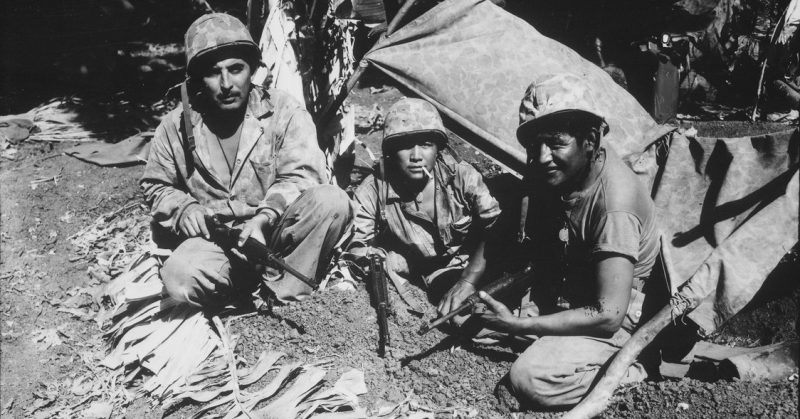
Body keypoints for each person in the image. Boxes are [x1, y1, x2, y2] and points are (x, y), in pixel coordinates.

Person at [141, 13, 353, 308]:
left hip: (275, 237)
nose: (226, 83)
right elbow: (155, 185)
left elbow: (303, 175)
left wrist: (263, 219)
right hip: (216, 242)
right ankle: (238, 292)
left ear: (252, 70)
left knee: (332, 201)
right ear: (198, 78)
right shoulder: (175, 126)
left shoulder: (283, 111)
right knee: (179, 278)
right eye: (214, 72)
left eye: (236, 68)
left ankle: (284, 295)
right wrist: (183, 209)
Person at [478, 73, 660, 408]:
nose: (542, 157)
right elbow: (507, 223)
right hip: (569, 290)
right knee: (473, 319)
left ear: (590, 140)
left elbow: (608, 315)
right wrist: (466, 281)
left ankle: (638, 366)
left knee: (529, 380)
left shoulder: (615, 206)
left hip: (616, 316)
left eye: (556, 144)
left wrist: (519, 325)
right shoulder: (563, 169)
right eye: (534, 147)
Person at [349, 98, 503, 321]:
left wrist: (469, 279)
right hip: (437, 273)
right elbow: (356, 247)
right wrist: (389, 260)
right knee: (463, 317)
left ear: (438, 149)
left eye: (425, 145)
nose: (416, 156)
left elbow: (497, 226)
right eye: (405, 145)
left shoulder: (461, 177)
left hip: (481, 261)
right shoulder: (374, 190)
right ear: (391, 151)